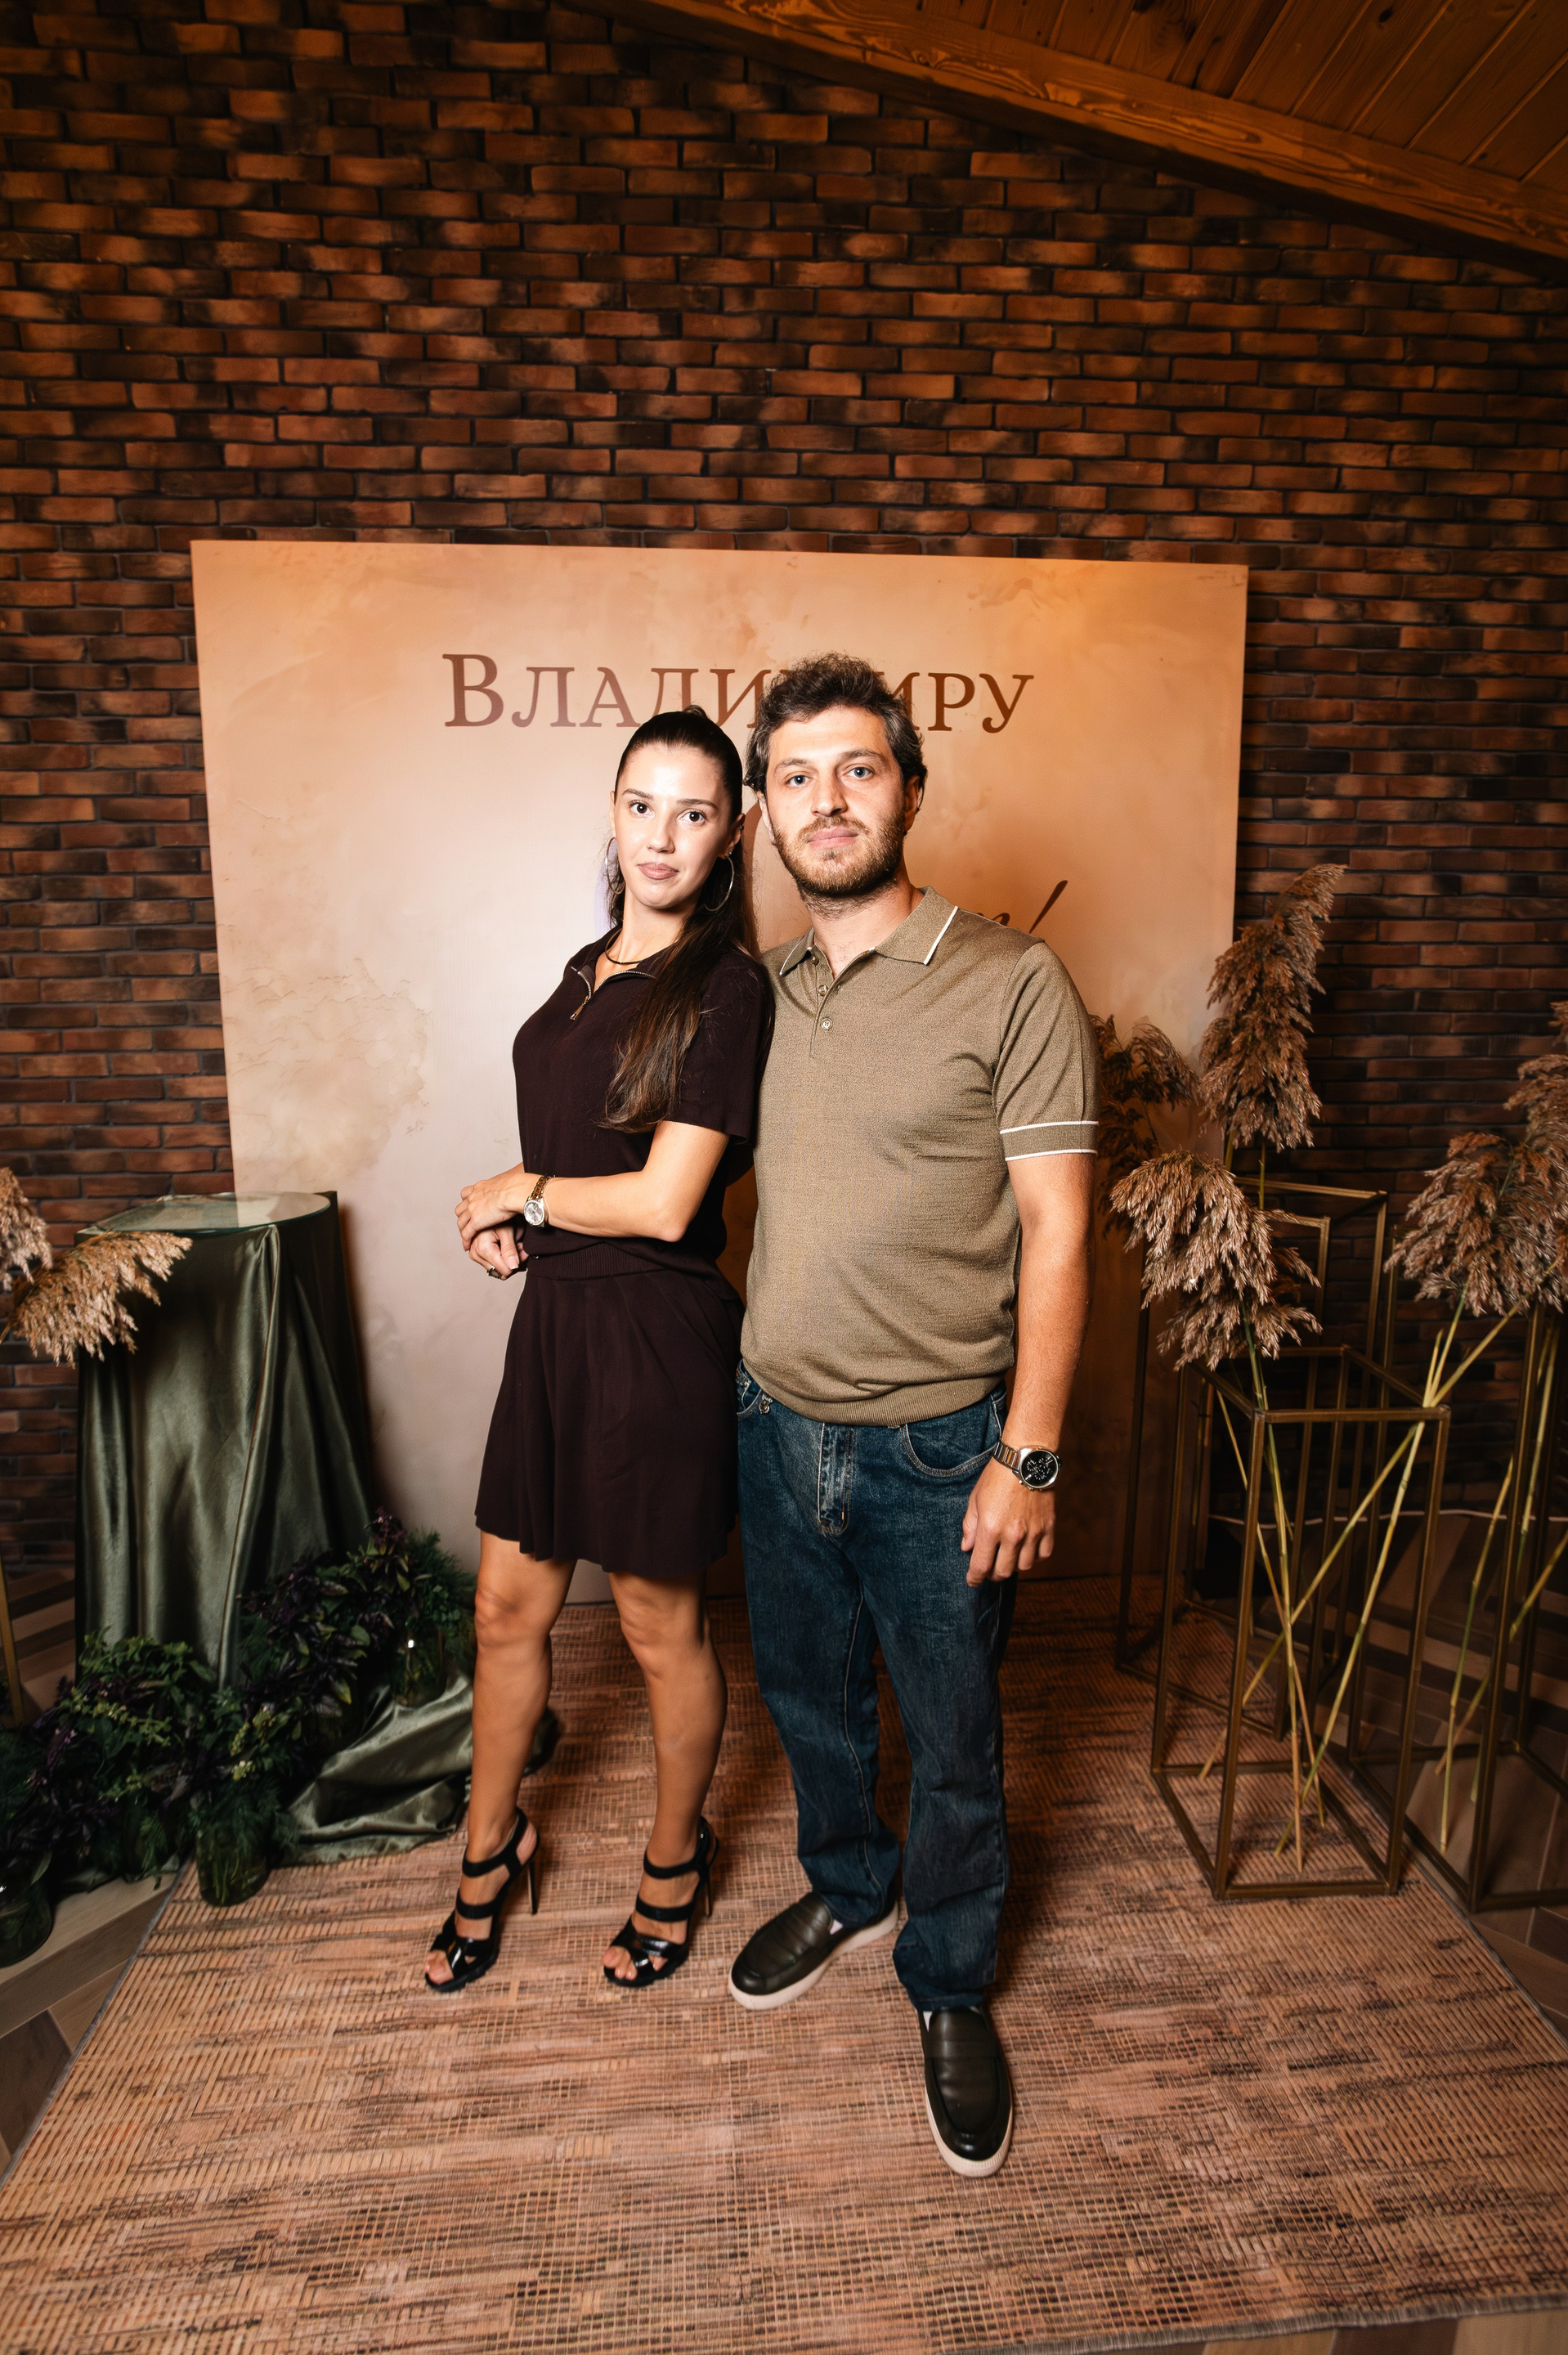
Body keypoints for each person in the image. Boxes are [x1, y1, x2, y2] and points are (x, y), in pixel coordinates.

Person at [728, 653, 1097, 2179]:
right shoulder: (764, 993)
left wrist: (1028, 1455)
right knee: (808, 1701)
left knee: (952, 1741)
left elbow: (1061, 1233)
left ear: (911, 790)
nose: (827, 801)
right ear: (765, 813)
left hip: (943, 1452)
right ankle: (847, 1881)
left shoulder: (1010, 981)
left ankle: (947, 1980)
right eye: (796, 778)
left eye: (858, 769)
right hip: (773, 1426)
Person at [425, 707, 770, 1995]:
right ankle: (490, 1846)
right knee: (505, 1608)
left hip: (655, 1335)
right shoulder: (586, 967)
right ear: (612, 812)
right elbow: (587, 1165)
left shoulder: (728, 989)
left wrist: (522, 1189)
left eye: (694, 812)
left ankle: (676, 1861)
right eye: (641, 805)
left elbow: (670, 1203)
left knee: (653, 1625)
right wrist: (524, 1231)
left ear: (732, 833)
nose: (662, 835)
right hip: (559, 1321)